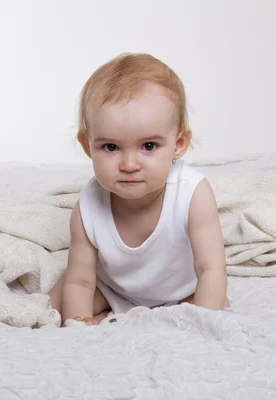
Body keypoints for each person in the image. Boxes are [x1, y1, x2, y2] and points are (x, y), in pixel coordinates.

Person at [49, 53, 229, 326]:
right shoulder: (88, 207)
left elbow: (210, 268)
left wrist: (205, 320)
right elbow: (82, 280)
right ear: (88, 147)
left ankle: (177, 313)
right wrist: (77, 325)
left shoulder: (193, 194)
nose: (129, 164)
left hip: (181, 293)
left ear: (179, 143)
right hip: (116, 291)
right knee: (59, 296)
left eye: (148, 146)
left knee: (211, 298)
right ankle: (97, 319)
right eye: (111, 147)